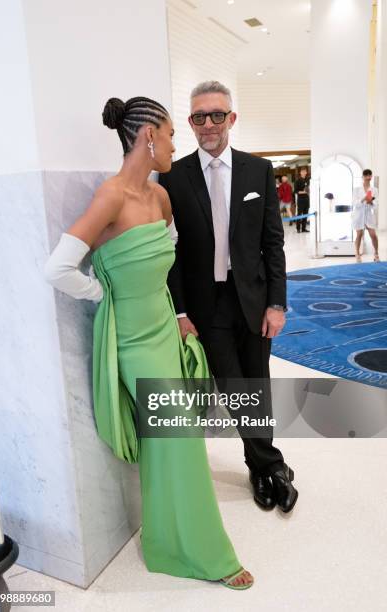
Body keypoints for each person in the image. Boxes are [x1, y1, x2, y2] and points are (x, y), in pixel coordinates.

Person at [44, 96, 253, 590]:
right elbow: (55, 268)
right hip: (133, 342)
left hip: (164, 328)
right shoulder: (110, 197)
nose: (176, 144)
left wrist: (179, 315)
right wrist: (104, 294)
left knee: (170, 444)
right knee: (179, 438)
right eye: (172, 133)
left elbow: (168, 260)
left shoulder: (159, 199)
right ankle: (209, 555)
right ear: (148, 137)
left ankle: (164, 542)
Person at [158, 81, 298, 513]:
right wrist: (180, 311)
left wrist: (277, 303)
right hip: (207, 305)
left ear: (231, 119)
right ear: (190, 123)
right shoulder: (173, 178)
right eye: (199, 117)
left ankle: (260, 466)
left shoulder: (258, 170)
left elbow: (273, 243)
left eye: (217, 115)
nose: (209, 124)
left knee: (256, 383)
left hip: (253, 299)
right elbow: (173, 254)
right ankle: (271, 467)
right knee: (234, 388)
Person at [352, 168, 379, 262]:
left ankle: (376, 253)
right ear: (362, 177)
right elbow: (355, 203)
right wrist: (364, 198)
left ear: (371, 176)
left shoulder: (374, 189)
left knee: (373, 235)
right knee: (359, 234)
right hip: (359, 215)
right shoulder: (356, 189)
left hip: (369, 214)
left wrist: (371, 202)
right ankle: (357, 254)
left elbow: (376, 205)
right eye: (366, 175)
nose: (368, 177)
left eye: (369, 175)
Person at [294, 168, 310, 233]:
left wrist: (308, 191)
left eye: (305, 171)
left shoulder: (308, 180)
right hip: (300, 200)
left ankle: (304, 228)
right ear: (300, 173)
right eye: (302, 171)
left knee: (305, 214)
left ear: (306, 172)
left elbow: (309, 188)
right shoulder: (297, 180)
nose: (303, 173)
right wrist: (304, 192)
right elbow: (296, 191)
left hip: (307, 199)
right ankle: (298, 228)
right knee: (299, 214)